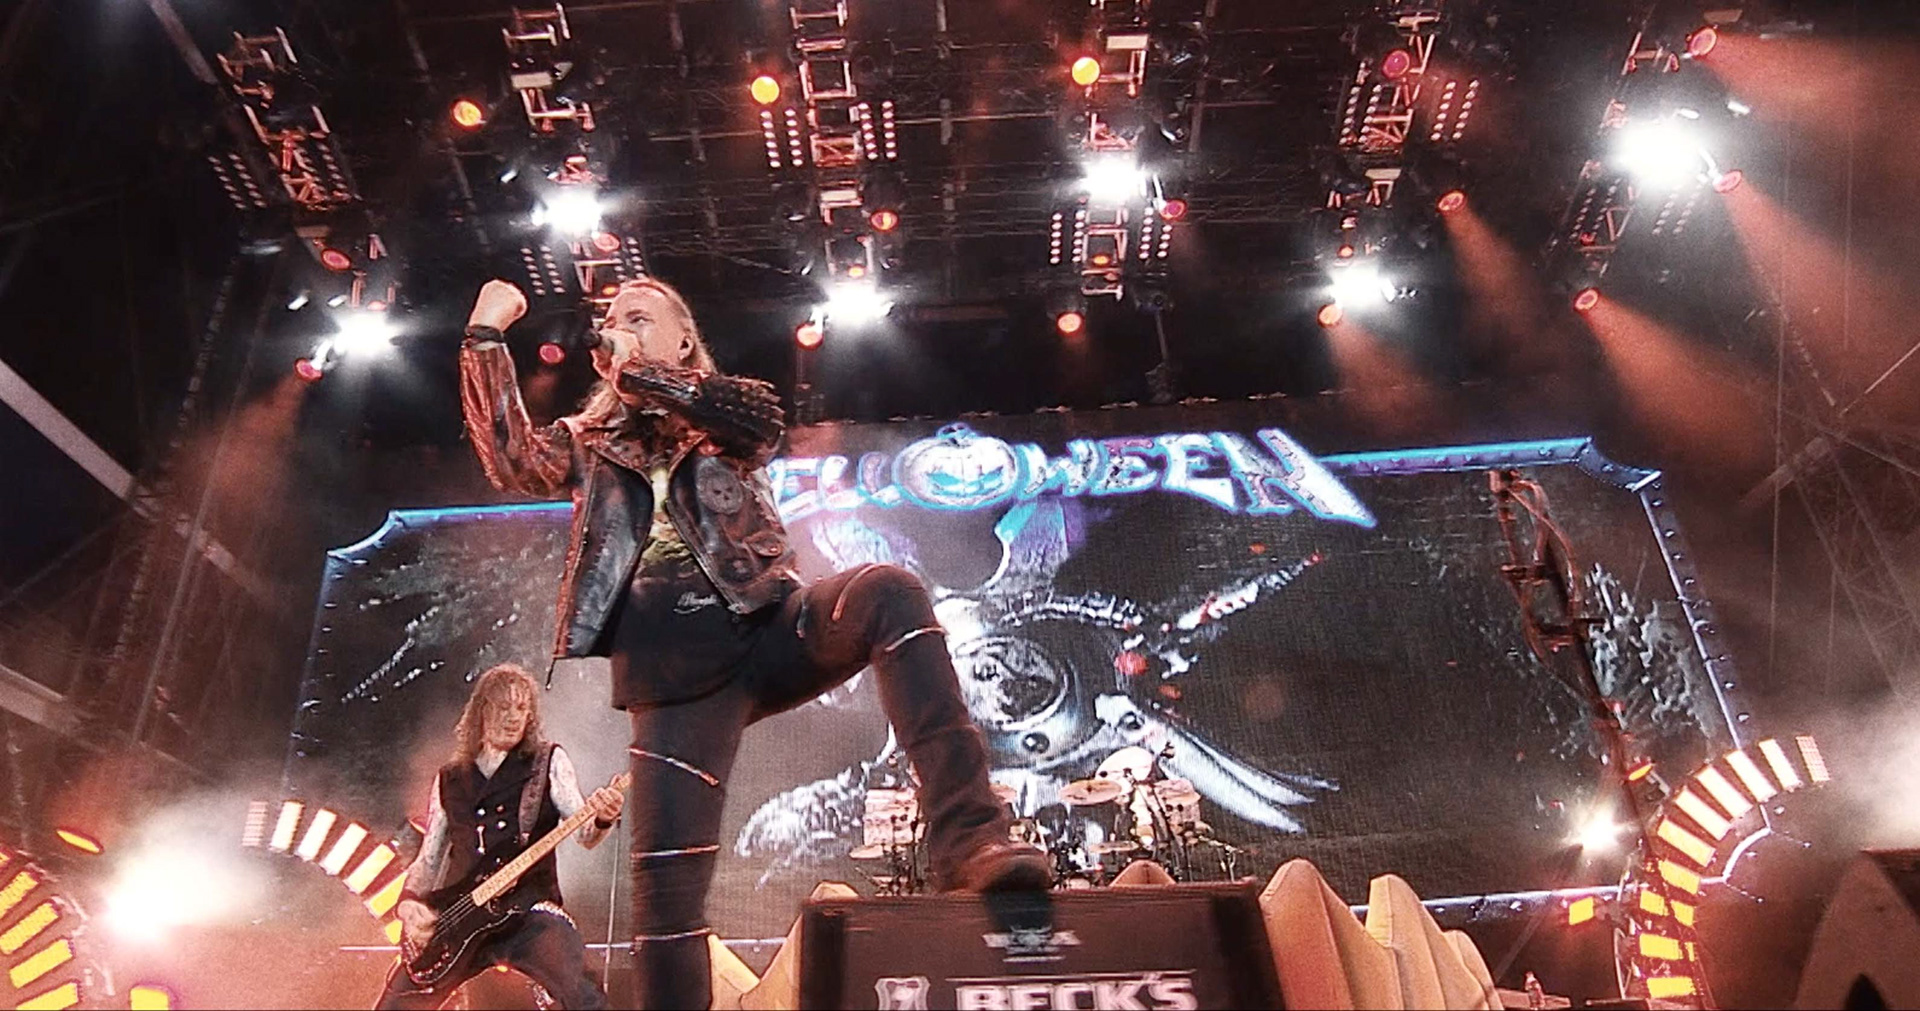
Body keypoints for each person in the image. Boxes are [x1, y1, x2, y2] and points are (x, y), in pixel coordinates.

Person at [459, 276, 1048, 1008]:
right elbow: (513, 458)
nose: (618, 327)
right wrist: (485, 335)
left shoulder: (720, 416)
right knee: (665, 902)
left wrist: (635, 371)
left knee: (889, 591)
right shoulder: (591, 443)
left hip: (769, 626)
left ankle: (971, 841)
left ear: (683, 340)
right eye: (611, 320)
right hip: (671, 677)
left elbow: (760, 421)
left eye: (639, 317)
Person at [375, 664, 625, 1010]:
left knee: (581, 992)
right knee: (394, 1004)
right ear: (482, 711)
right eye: (504, 707)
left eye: (522, 708)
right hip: (459, 920)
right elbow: (428, 860)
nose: (514, 717)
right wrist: (407, 904)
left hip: (527, 912)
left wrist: (604, 817)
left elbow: (585, 834)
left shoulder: (547, 762)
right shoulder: (450, 779)